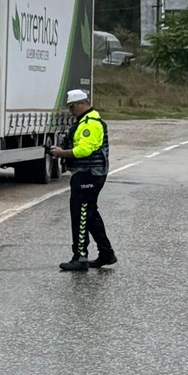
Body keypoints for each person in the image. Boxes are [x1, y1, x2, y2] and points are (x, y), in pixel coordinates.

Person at [50, 88, 116, 274]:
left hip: (88, 174)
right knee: (90, 215)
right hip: (88, 174)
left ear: (81, 104)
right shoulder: (85, 122)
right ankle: (106, 253)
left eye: (72, 107)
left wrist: (62, 153)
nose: (71, 111)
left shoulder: (91, 124)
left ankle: (80, 257)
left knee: (80, 215)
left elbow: (84, 150)